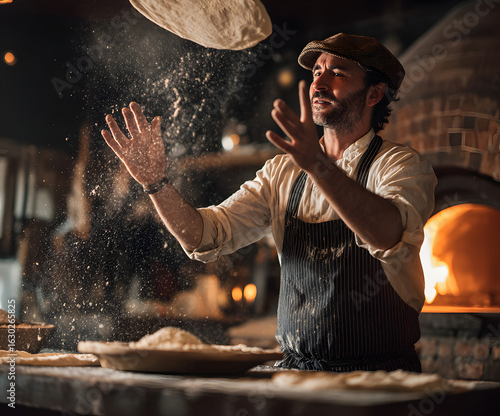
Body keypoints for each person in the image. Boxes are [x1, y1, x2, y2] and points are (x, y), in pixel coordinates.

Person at [102, 33, 437, 372]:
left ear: (374, 93)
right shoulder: (282, 173)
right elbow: (202, 235)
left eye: (337, 73)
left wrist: (317, 165)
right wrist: (154, 183)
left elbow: (389, 234)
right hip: (295, 377)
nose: (319, 82)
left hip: (380, 381)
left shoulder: (400, 165)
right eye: (317, 71)